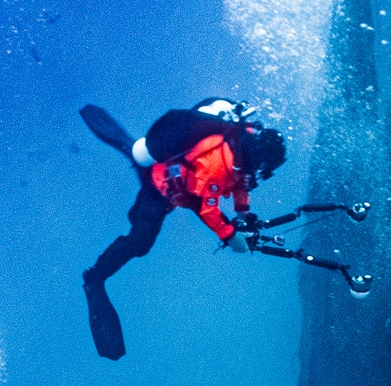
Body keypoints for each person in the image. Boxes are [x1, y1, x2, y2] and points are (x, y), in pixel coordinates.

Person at [77, 98, 287, 360]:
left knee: (137, 157)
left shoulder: (240, 147)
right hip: (161, 186)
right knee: (140, 243)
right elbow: (205, 208)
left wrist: (243, 213)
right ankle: (94, 278)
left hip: (184, 181)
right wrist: (230, 235)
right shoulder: (218, 164)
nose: (261, 173)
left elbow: (239, 184)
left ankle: (134, 151)